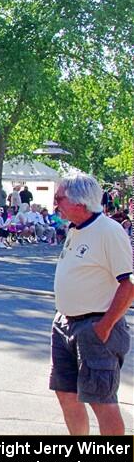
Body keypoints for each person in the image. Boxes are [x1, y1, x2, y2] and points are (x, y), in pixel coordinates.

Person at [49, 174, 133, 436]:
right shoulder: (76, 229)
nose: (55, 204)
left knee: (102, 401)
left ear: (80, 203)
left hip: (94, 325)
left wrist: (104, 327)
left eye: (59, 198)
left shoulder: (108, 231)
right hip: (65, 323)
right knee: (66, 394)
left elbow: (128, 285)